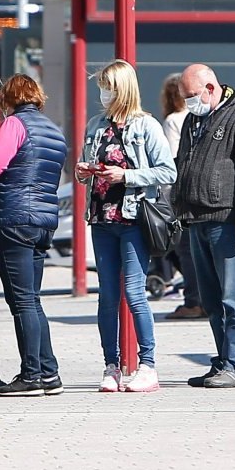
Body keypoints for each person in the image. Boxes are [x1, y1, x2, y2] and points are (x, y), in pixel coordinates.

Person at [74, 60, 176, 393]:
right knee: (107, 295)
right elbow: (82, 168)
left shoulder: (146, 126)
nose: (103, 93)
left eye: (108, 86)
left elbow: (167, 171)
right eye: (101, 86)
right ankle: (111, 366)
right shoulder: (95, 124)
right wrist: (83, 171)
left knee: (134, 292)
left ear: (123, 88)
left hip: (132, 218)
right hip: (101, 218)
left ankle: (147, 365)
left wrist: (127, 176)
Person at [174, 63, 235, 388]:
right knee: (212, 300)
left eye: (191, 96)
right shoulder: (194, 119)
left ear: (210, 88)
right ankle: (223, 360)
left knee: (234, 297)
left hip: (227, 220)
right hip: (197, 219)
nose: (189, 103)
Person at [0, 74, 68, 396]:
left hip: (14, 219)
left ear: (9, 99)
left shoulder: (15, 124)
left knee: (22, 302)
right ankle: (49, 372)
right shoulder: (53, 130)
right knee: (33, 299)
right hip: (43, 221)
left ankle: (31, 374)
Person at [160, 72, 205, 320]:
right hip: (202, 194)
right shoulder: (202, 116)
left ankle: (194, 301)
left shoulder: (173, 121)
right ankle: (205, 298)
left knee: (184, 250)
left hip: (181, 194)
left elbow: (172, 161)